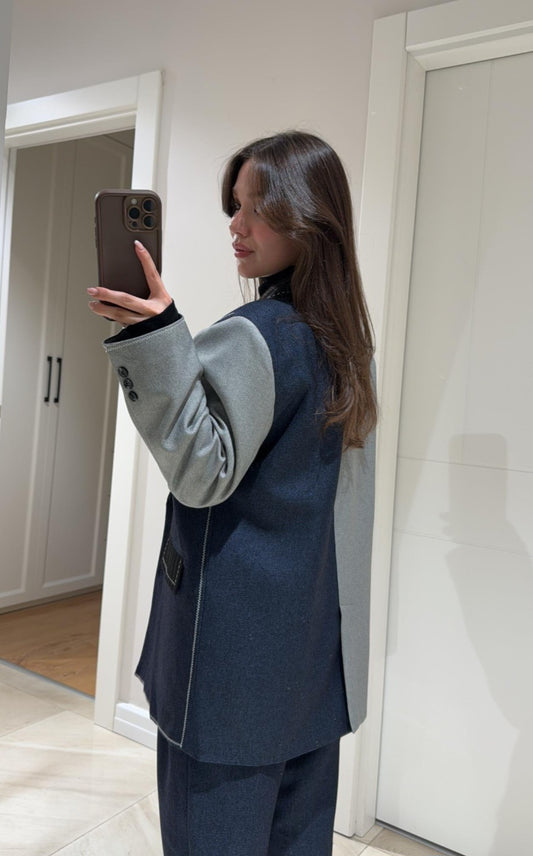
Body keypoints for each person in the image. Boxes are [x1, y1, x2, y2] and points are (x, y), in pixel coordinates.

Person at [88, 130, 377, 856]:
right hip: (313, 658)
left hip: (227, 670)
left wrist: (156, 336)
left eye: (257, 207)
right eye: (235, 207)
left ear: (308, 217)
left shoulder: (261, 334)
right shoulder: (344, 344)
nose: (236, 226)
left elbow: (200, 471)